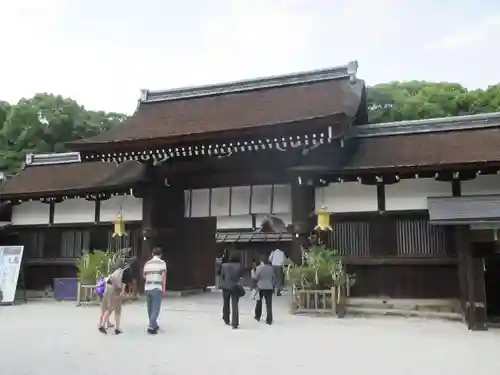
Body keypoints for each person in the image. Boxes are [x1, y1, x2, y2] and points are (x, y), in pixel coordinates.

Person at [143, 247, 167, 335]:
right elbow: (163, 277)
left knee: (150, 308)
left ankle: (154, 324)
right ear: (161, 255)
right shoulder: (162, 263)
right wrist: (164, 289)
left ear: (152, 254)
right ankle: (151, 326)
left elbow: (144, 276)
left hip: (147, 288)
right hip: (157, 287)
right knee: (155, 309)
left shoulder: (147, 263)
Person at [98, 262, 126, 334]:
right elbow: (123, 283)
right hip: (117, 291)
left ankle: (103, 324)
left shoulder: (114, 273)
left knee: (110, 308)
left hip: (109, 291)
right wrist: (122, 291)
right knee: (117, 311)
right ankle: (116, 328)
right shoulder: (123, 273)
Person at [220, 253, 244, 329]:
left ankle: (226, 318)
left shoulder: (224, 266)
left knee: (226, 303)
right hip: (235, 287)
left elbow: (222, 276)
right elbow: (241, 277)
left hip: (226, 286)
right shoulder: (240, 266)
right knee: (235, 305)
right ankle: (235, 322)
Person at [253, 256, 275, 325]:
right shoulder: (271, 269)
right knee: (269, 304)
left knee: (259, 302)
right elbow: (274, 278)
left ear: (262, 262)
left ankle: (257, 316)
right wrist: (273, 285)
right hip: (269, 287)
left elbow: (255, 277)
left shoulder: (259, 268)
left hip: (260, 287)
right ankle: (269, 319)